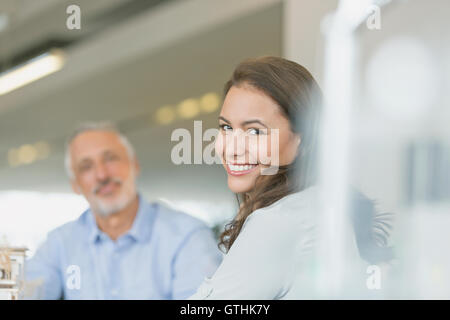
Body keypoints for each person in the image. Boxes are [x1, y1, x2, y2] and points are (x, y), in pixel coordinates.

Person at [189, 56, 394, 299]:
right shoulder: (319, 207)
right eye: (226, 128)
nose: (232, 148)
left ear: (303, 140)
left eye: (255, 131)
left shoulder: (278, 222)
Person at [25, 122, 222, 299]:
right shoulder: (59, 244)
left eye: (110, 159)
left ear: (134, 165)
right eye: (86, 167)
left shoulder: (187, 237)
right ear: (75, 185)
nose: (102, 175)